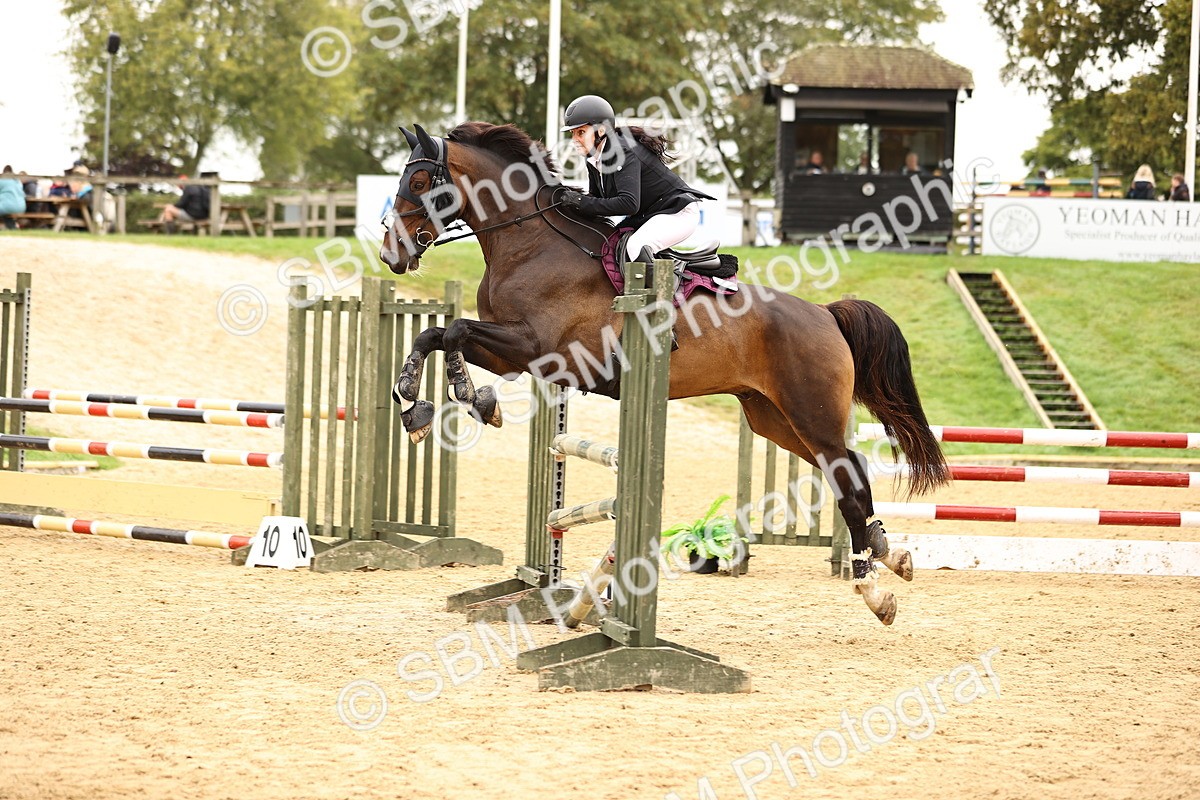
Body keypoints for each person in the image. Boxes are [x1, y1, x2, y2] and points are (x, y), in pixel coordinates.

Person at [556, 94, 715, 263]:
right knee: (610, 243)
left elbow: (629, 204)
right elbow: (596, 199)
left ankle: (665, 288)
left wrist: (580, 201)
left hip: (677, 212)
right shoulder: (593, 157)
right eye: (573, 133)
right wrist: (566, 203)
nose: (575, 140)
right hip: (652, 214)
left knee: (634, 247)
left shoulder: (622, 152)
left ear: (601, 130)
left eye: (581, 132)